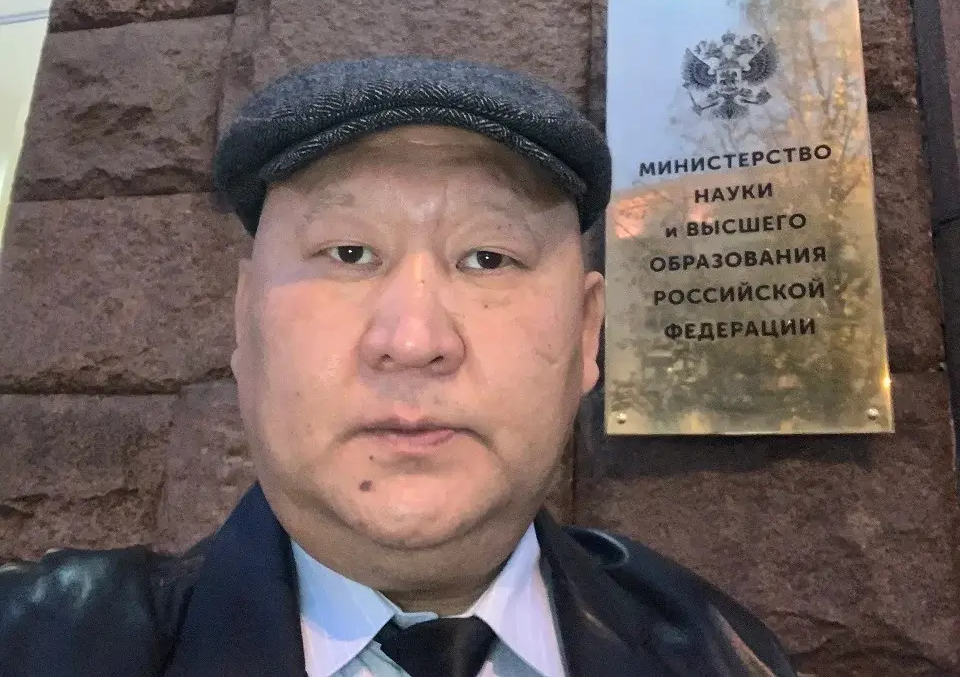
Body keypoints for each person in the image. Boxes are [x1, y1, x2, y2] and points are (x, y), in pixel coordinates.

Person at [0, 57, 797, 677]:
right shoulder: (39, 642)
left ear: (588, 333)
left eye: (488, 257)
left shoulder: (723, 653)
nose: (413, 340)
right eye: (348, 252)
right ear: (245, 320)